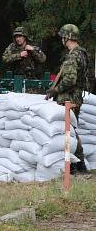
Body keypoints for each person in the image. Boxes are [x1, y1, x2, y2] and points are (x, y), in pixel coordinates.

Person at [45, 24, 89, 173]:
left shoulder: (72, 55)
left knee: (68, 133)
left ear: (68, 37)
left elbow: (70, 79)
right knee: (72, 131)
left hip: (68, 98)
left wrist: (55, 90)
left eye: (63, 37)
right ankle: (80, 164)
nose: (62, 40)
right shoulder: (82, 54)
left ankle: (73, 166)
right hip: (76, 97)